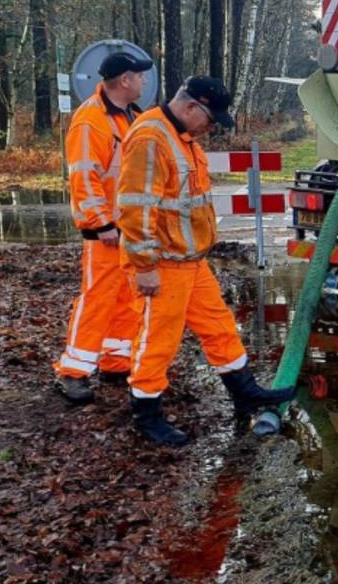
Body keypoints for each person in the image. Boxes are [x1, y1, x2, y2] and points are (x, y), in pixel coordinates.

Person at [115, 76, 293, 446]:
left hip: (190, 260)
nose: (212, 128)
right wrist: (145, 266)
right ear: (191, 106)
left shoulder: (182, 137)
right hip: (162, 263)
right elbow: (135, 208)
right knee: (157, 340)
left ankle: (243, 391)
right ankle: (147, 416)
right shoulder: (151, 138)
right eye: (211, 119)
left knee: (219, 327)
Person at [54, 52, 151, 404]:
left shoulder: (131, 117)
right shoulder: (91, 119)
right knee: (97, 298)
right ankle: (73, 371)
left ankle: (116, 361)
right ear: (125, 80)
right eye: (139, 76)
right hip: (107, 231)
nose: (143, 82)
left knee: (128, 296)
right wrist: (100, 223)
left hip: (127, 228)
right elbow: (84, 175)